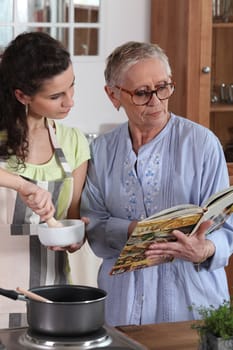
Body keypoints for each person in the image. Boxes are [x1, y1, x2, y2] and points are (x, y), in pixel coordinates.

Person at [80, 41, 233, 326]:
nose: (156, 101)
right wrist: (133, 230)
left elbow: (226, 226)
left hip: (192, 301)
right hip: (121, 304)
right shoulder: (100, 151)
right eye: (142, 93)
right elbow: (93, 224)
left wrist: (205, 249)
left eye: (163, 87)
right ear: (113, 95)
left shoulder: (202, 144)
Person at [0, 31, 90, 327]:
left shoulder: (73, 142)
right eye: (56, 96)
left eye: (71, 87)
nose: (70, 102)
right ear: (22, 95)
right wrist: (22, 185)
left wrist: (75, 238)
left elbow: (72, 214)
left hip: (51, 297)